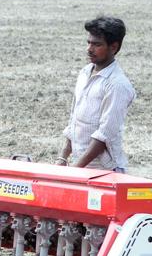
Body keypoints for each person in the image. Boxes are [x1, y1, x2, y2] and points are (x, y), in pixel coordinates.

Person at [56, 16, 136, 172]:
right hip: (82, 168)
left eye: (97, 44)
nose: (89, 49)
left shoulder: (117, 85)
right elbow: (74, 121)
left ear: (113, 47)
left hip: (104, 172)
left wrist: (74, 171)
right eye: (89, 43)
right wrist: (63, 158)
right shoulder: (85, 72)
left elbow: (104, 135)